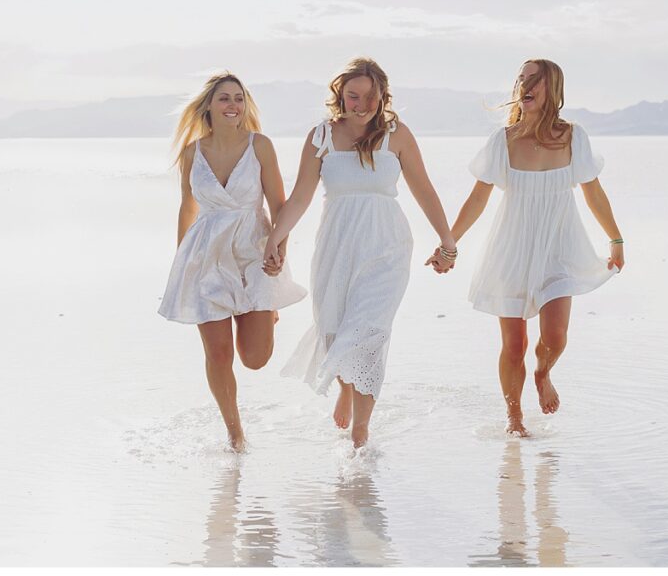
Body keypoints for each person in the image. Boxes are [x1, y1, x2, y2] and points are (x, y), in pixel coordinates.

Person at [263, 57, 456, 448]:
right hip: (336, 243)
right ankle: (346, 389)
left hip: (386, 244)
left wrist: (447, 241)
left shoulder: (397, 135)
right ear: (340, 95)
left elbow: (425, 190)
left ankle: (361, 430)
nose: (362, 104)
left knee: (369, 332)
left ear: (383, 95)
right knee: (334, 330)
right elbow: (301, 195)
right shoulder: (321, 136)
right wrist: (275, 238)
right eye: (353, 96)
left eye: (371, 96)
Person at [439, 59, 624, 436]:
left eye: (535, 81)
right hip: (512, 249)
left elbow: (594, 193)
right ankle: (515, 417)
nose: (525, 86)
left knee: (555, 337)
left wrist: (616, 239)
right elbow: (477, 199)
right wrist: (449, 242)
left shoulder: (574, 137)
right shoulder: (503, 142)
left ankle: (543, 373)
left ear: (552, 89)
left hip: (559, 248)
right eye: (521, 79)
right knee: (514, 344)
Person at [158, 72, 307, 452]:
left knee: (256, 358)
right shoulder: (191, 152)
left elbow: (279, 205)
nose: (233, 106)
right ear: (208, 105)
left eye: (239, 99)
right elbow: (187, 208)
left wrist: (280, 249)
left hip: (253, 250)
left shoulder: (261, 146)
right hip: (205, 257)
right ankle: (235, 434)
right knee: (219, 353)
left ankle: (266, 309)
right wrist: (182, 266)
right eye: (224, 98)